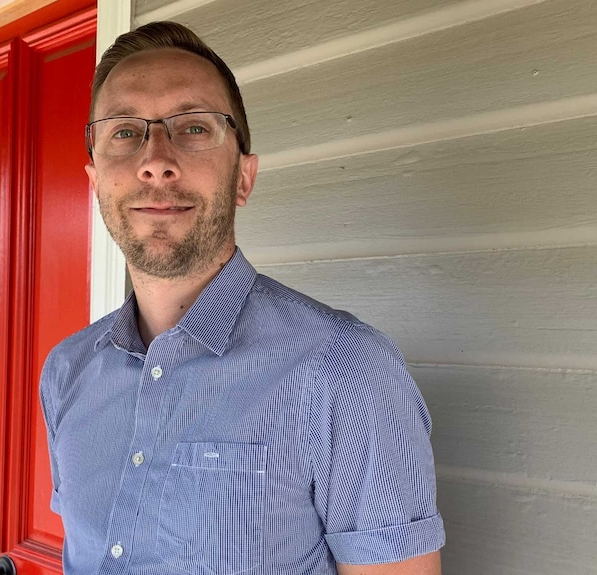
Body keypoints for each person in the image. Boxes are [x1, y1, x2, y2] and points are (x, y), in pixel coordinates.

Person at [39, 21, 445, 575]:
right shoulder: (66, 372)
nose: (155, 159)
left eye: (194, 128)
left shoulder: (346, 370)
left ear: (243, 180)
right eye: (125, 131)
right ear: (95, 183)